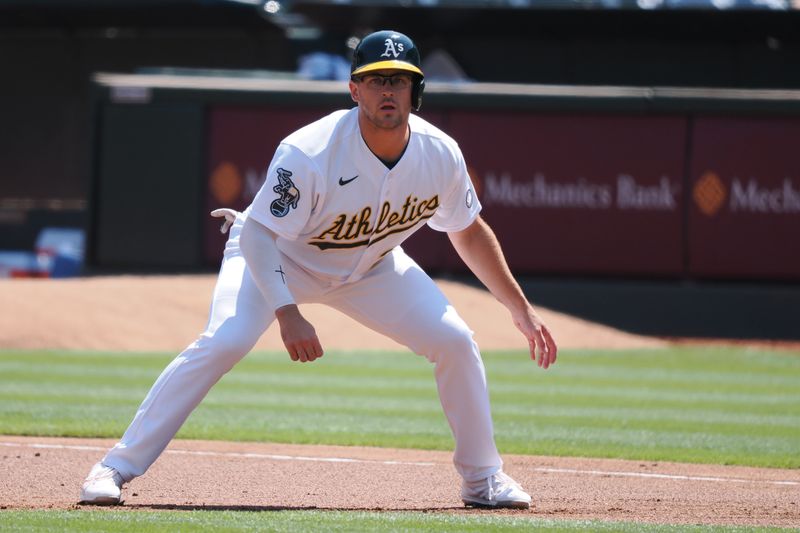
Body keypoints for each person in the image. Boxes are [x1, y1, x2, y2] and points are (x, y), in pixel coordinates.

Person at [79, 29, 557, 510]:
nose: (387, 90)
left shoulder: (440, 154)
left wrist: (519, 308)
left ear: (417, 90)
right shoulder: (309, 150)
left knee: (455, 340)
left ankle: (482, 479)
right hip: (277, 255)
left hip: (372, 267)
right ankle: (115, 467)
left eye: (399, 80)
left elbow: (468, 231)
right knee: (225, 339)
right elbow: (261, 235)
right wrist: (287, 313)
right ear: (354, 90)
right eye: (375, 80)